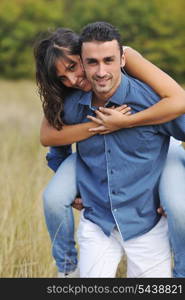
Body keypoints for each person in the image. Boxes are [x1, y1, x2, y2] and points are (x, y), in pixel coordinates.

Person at [34, 27, 185, 277]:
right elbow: (51, 138)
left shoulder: (131, 68)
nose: (72, 80)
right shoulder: (72, 101)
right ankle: (66, 270)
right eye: (62, 77)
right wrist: (78, 185)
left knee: (178, 206)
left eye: (73, 68)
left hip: (160, 146)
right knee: (54, 197)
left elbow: (179, 100)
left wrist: (127, 121)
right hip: (100, 214)